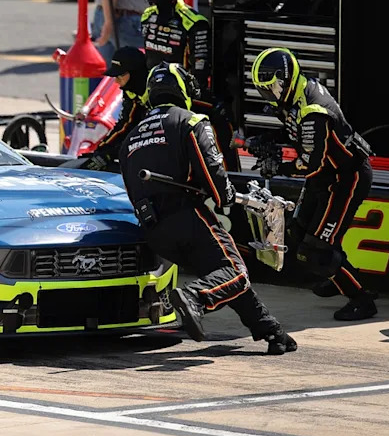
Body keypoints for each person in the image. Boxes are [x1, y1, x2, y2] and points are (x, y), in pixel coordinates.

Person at [119, 62, 297, 355]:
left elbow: (131, 189)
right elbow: (214, 173)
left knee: (223, 275)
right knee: (237, 272)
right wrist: (225, 196)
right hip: (188, 218)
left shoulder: (130, 139)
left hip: (154, 231)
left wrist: (272, 329)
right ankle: (193, 297)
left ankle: (269, 330)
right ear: (181, 90)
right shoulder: (190, 120)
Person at [250, 48, 378, 321]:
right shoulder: (293, 95)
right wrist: (268, 142)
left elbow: (311, 162)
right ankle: (342, 276)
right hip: (324, 175)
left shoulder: (313, 111)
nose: (271, 94)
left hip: (345, 178)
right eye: (265, 89)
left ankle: (362, 299)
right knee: (298, 231)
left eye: (274, 86)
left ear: (287, 78)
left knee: (317, 251)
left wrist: (280, 166)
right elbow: (300, 140)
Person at [140, 0, 239, 170]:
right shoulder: (146, 17)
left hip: (185, 96)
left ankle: (231, 176)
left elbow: (201, 73)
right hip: (151, 95)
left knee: (221, 117)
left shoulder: (195, 23)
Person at [80, 46, 148, 171]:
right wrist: (101, 151)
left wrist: (111, 153)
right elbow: (124, 125)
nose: (116, 81)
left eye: (119, 75)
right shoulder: (131, 90)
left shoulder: (156, 90)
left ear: (134, 73)